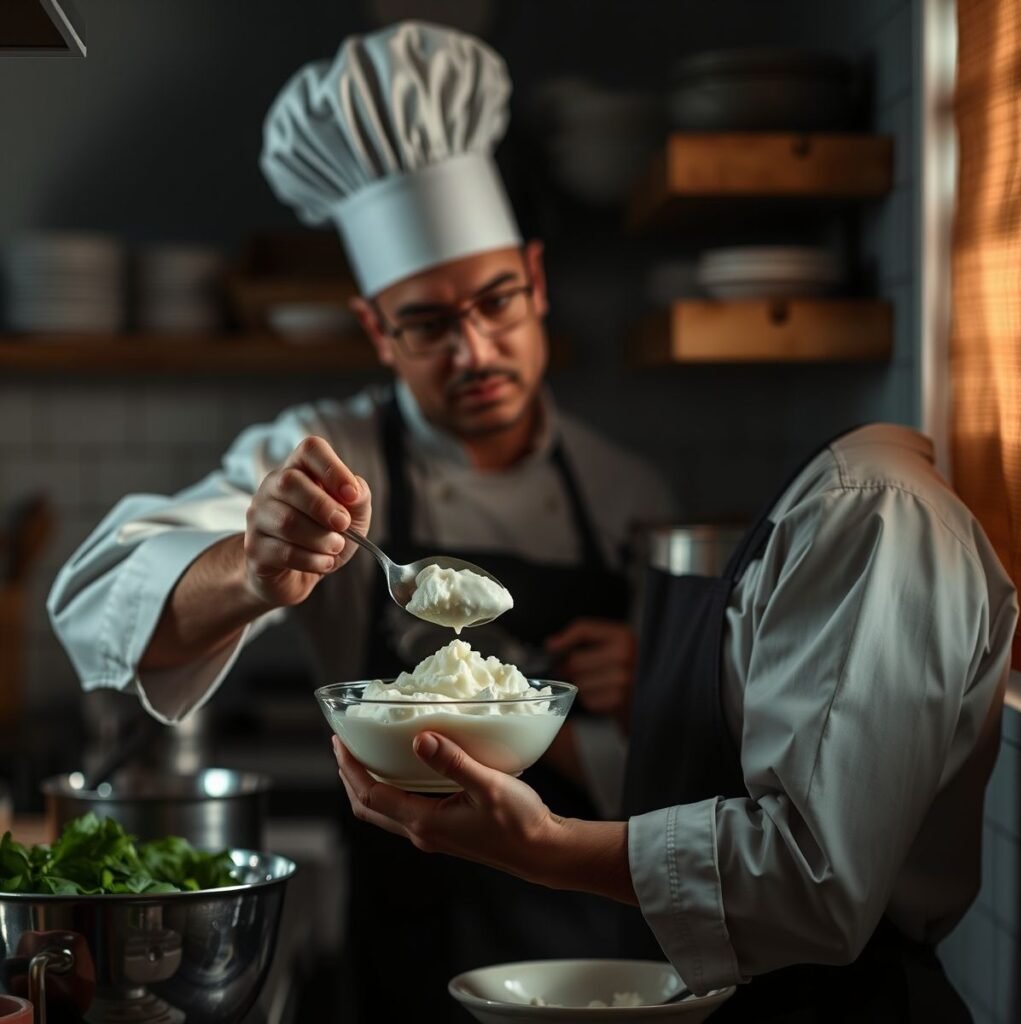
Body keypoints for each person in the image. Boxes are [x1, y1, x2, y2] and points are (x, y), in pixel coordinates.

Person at [46, 20, 675, 1024]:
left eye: (496, 302)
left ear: (538, 280)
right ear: (376, 329)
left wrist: (647, 695)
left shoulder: (626, 492)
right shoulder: (332, 451)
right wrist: (251, 569)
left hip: (595, 963)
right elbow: (92, 595)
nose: (473, 349)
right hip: (409, 961)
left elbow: (706, 768)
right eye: (426, 322)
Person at [332, 423, 1019, 1023]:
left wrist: (544, 845)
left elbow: (815, 884)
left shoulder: (873, 515)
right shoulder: (820, 514)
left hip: (834, 1007)